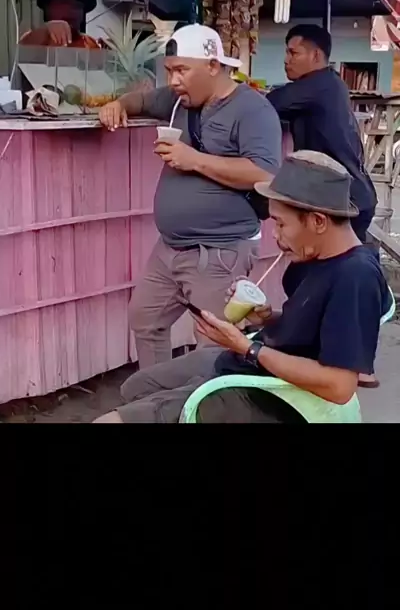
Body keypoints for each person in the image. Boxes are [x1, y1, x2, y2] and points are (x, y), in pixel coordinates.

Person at [93, 150, 390, 423]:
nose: (275, 234)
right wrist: (266, 318)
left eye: (281, 224)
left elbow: (339, 386)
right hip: (250, 362)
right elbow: (315, 329)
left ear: (318, 222)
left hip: (273, 395)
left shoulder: (355, 277)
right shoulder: (316, 256)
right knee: (137, 386)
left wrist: (247, 347)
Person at [98, 23, 282, 369]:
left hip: (220, 250)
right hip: (170, 247)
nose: (173, 80)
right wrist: (119, 104)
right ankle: (156, 395)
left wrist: (194, 160)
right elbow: (142, 99)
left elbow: (265, 175)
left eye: (182, 70)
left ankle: (207, 399)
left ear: (212, 66)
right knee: (145, 318)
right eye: (169, 71)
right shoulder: (179, 101)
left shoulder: (253, 110)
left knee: (213, 344)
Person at [267, 24, 380, 387]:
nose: (286, 60)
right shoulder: (324, 87)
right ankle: (331, 356)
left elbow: (270, 104)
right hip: (345, 194)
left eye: (293, 53)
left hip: (344, 198)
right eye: (286, 53)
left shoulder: (318, 85)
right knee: (314, 277)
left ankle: (349, 365)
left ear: (316, 56)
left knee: (335, 278)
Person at [20, 0, 101, 49]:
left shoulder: (91, 45)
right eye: (64, 2)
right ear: (48, 8)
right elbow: (22, 47)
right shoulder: (36, 39)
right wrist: (46, 31)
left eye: (78, 6)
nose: (72, 10)